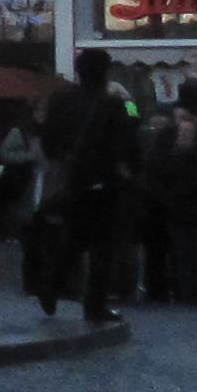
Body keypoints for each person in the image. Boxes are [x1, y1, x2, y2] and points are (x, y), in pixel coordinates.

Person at [38, 47, 141, 326]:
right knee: (102, 246)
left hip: (71, 180)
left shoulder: (60, 100)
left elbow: (48, 143)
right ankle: (94, 305)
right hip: (103, 181)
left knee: (74, 237)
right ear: (105, 72)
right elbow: (127, 143)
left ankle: (52, 283)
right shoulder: (112, 104)